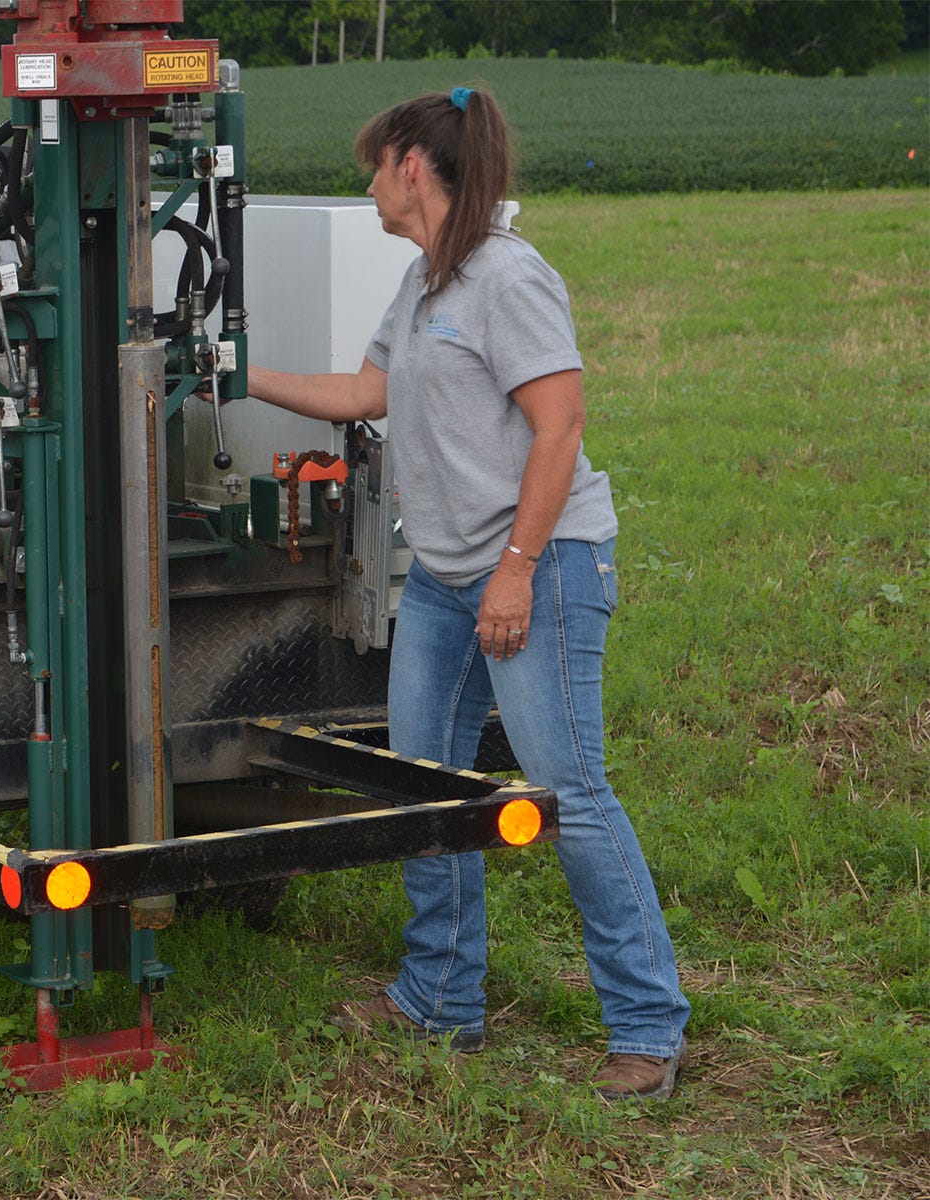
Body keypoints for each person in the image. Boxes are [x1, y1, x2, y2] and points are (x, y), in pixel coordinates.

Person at [247, 86, 691, 1100]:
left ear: (413, 164)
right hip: (449, 580)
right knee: (426, 783)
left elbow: (560, 426)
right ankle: (440, 997)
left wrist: (518, 570)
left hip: (541, 568)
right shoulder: (420, 284)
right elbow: (365, 396)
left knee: (569, 795)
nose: (366, 182)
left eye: (374, 162)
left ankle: (648, 1029)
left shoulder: (507, 278)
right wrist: (237, 375)